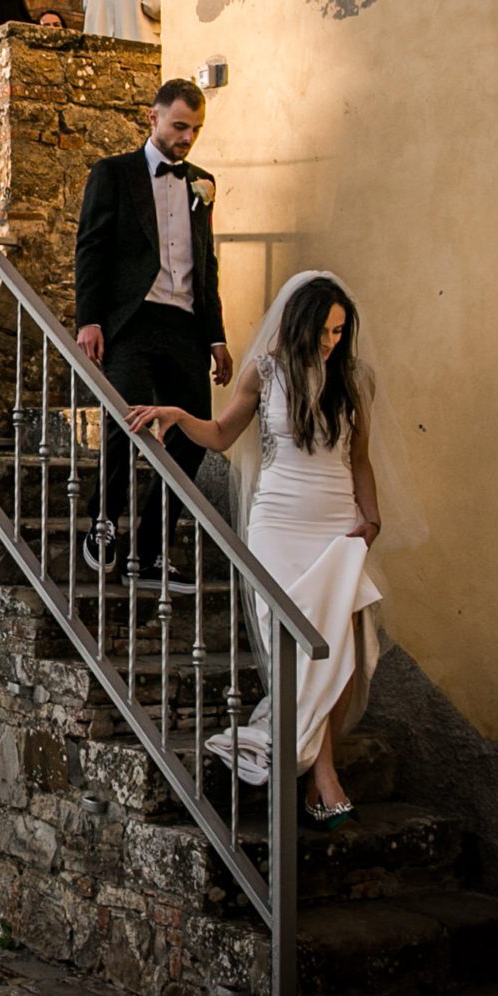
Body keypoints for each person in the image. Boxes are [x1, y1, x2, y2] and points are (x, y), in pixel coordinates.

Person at [129, 272, 384, 829]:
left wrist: (371, 514)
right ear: (298, 324)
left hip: (336, 525)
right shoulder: (264, 372)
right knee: (298, 646)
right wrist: (176, 416)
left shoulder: (355, 380)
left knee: (345, 643)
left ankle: (319, 771)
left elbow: (358, 458)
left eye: (340, 332)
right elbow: (221, 433)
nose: (331, 342)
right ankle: (324, 778)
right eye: (322, 331)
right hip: (278, 526)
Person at [73, 78, 227, 593]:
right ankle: (104, 523)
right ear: (153, 118)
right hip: (132, 322)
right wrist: (90, 319)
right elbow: (91, 247)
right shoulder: (114, 173)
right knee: (128, 423)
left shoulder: (202, 183)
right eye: (180, 125)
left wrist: (217, 338)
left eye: (196, 129)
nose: (187, 138)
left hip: (185, 325)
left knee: (192, 437)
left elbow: (206, 265)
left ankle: (154, 547)